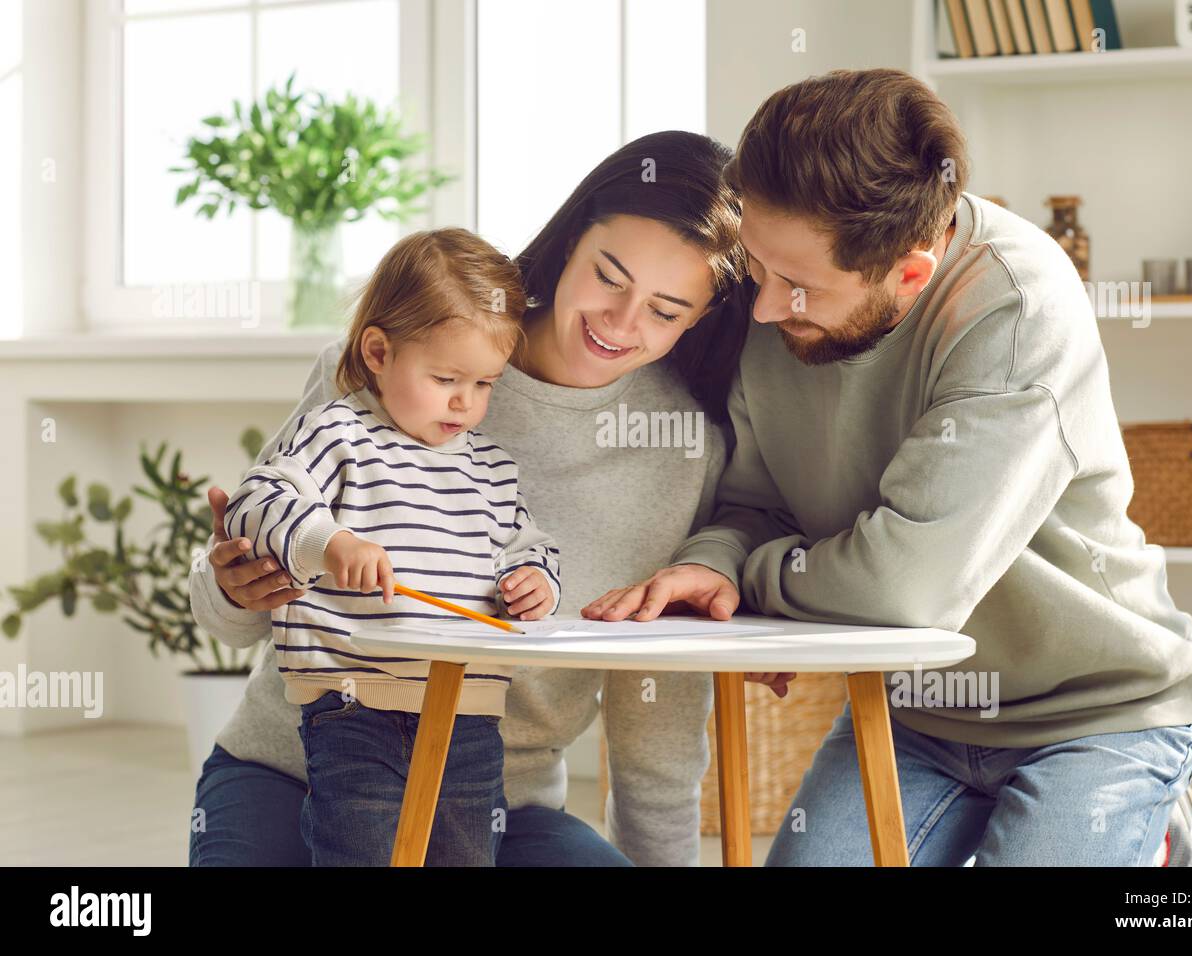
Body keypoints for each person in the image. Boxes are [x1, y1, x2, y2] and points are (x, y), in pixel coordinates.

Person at [583, 69, 1192, 866]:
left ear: (910, 273)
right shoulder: (775, 287)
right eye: (758, 268)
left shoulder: (1020, 307)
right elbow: (756, 503)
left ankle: (1155, 838)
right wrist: (713, 566)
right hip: (918, 710)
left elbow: (906, 589)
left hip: (1098, 711)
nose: (766, 310)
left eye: (800, 289)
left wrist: (761, 582)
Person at [188, 130, 772, 867]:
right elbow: (229, 610)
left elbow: (656, 710)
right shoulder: (400, 355)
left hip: (497, 800)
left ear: (699, 318)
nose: (622, 323)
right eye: (610, 276)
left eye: (666, 310)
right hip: (295, 767)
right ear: (570, 241)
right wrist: (235, 589)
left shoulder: (684, 444)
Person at [221, 228, 560, 865]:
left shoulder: (491, 468)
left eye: (485, 384)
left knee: (464, 857)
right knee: (361, 854)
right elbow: (257, 499)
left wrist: (534, 579)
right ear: (378, 351)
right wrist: (327, 541)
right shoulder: (338, 432)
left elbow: (528, 544)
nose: (466, 401)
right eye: (445, 377)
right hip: (352, 708)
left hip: (469, 715)